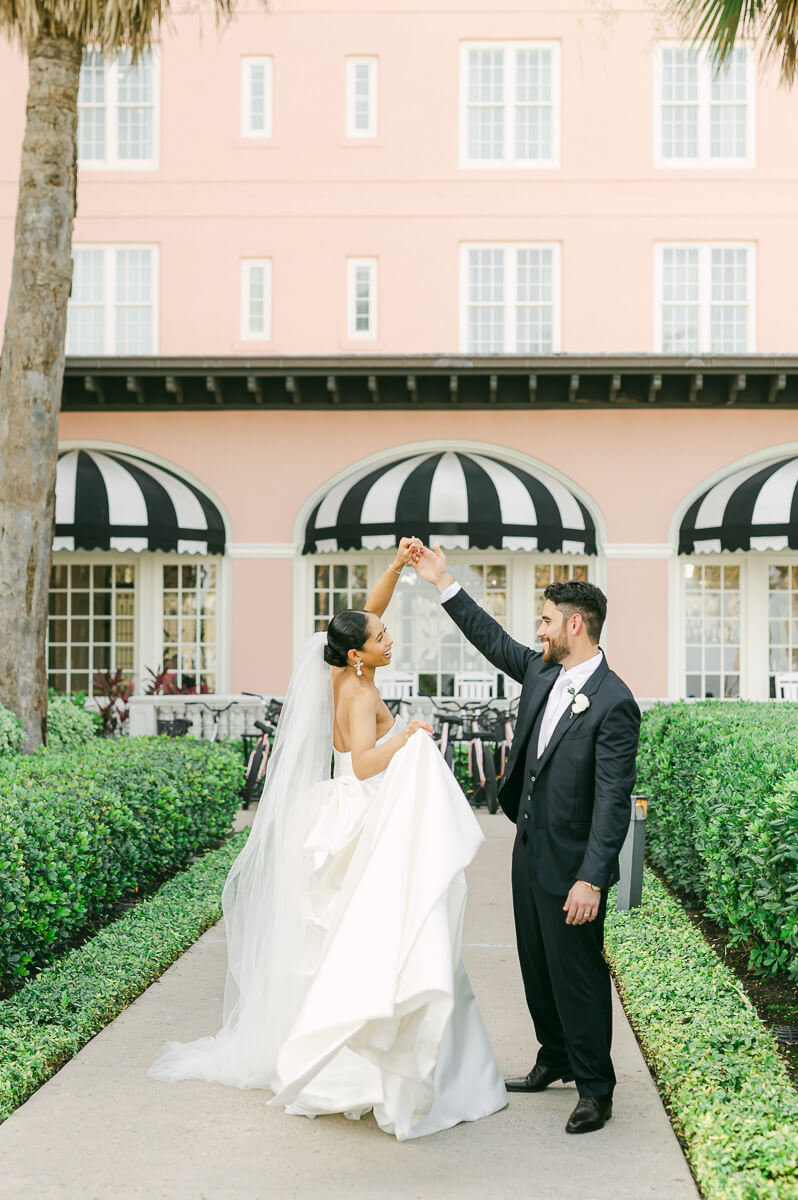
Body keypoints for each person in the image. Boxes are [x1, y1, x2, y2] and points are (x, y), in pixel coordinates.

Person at [149, 538, 506, 1141]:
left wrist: (395, 569)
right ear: (361, 656)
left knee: (340, 933)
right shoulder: (362, 691)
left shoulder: (341, 668)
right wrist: (411, 734)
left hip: (336, 807)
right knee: (376, 931)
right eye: (381, 639)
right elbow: (366, 763)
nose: (388, 638)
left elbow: (365, 615)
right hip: (362, 806)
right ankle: (360, 1063)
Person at [412, 542, 640, 1135]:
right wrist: (443, 583)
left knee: (578, 975)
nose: (537, 630)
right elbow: (493, 641)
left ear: (574, 623)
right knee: (535, 964)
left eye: (545, 620)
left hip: (573, 866)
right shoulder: (543, 669)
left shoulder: (615, 703)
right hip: (529, 849)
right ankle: (554, 1056)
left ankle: (596, 1088)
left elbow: (614, 800)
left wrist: (592, 877)